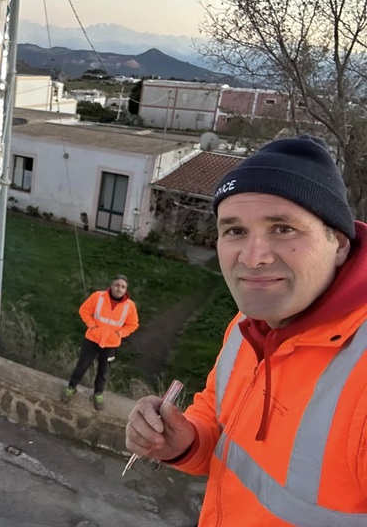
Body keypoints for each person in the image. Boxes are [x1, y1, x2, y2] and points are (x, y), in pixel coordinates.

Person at [125, 135, 367, 525]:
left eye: (283, 229)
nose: (253, 258)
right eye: (235, 231)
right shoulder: (245, 327)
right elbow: (221, 418)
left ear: (338, 244)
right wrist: (184, 440)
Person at [61, 275, 139, 410]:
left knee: (103, 372)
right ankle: (71, 387)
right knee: (82, 366)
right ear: (111, 285)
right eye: (117, 285)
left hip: (111, 344)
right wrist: (91, 325)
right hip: (92, 340)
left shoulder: (129, 306)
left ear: (126, 290)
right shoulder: (98, 297)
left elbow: (133, 324)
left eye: (123, 287)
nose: (119, 289)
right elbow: (84, 310)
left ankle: (98, 394)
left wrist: (120, 333)